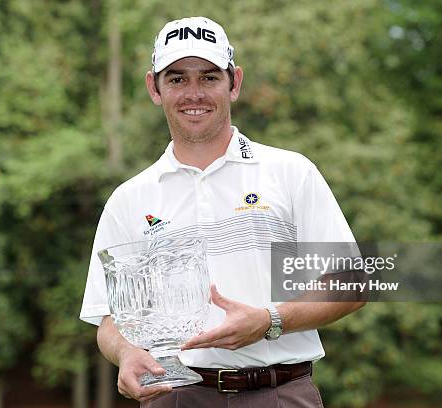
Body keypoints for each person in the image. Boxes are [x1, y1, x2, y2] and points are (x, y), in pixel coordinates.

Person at [80, 16, 365, 407]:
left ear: (235, 84)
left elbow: (349, 284)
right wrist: (127, 353)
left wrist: (269, 321)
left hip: (279, 394)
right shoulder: (130, 198)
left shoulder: (289, 172)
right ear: (154, 88)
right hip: (173, 396)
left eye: (209, 78)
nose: (193, 93)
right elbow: (109, 320)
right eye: (177, 79)